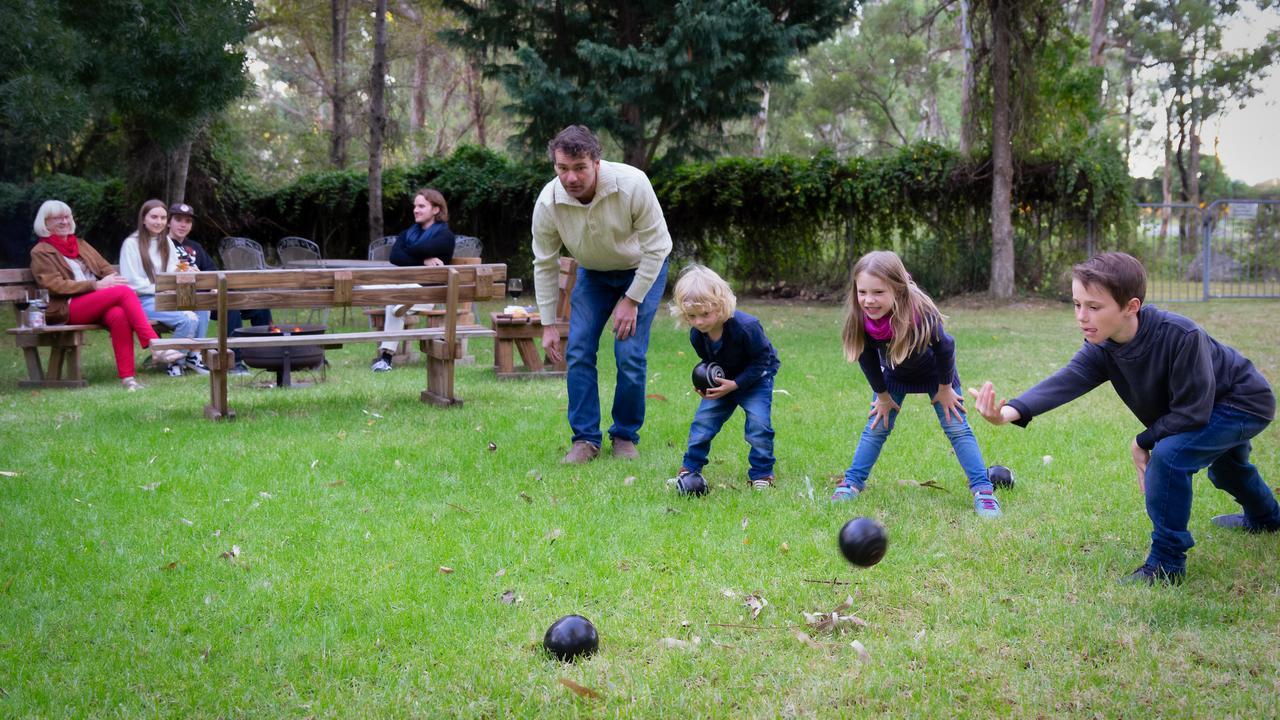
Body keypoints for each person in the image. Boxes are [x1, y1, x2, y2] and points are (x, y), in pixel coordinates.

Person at [970, 252, 1278, 584]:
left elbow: (1193, 413)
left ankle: (1166, 564)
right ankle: (1266, 518)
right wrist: (1005, 413)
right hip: (1205, 409)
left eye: (1094, 307)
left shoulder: (1181, 335)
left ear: (1130, 306)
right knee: (1226, 469)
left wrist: (1142, 441)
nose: (1081, 316)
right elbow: (1066, 380)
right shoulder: (1102, 347)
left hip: (1242, 402)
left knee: (1171, 456)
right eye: (1076, 304)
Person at [531, 125, 672, 463]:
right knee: (578, 350)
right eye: (562, 168)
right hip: (593, 275)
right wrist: (548, 323)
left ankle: (624, 436)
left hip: (642, 270)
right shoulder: (549, 202)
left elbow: (657, 248)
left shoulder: (633, 184)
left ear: (596, 162)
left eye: (579, 167)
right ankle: (585, 440)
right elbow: (545, 264)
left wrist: (632, 299)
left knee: (629, 354)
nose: (571, 178)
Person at [831, 250, 1001, 518]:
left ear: (897, 289)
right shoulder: (861, 317)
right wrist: (883, 396)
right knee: (876, 426)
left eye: (878, 292)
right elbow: (867, 358)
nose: (868, 300)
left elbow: (946, 347)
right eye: (862, 292)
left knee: (957, 428)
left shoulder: (920, 314)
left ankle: (983, 491)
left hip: (936, 375)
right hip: (895, 376)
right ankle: (851, 483)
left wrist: (945, 388)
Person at [28, 200, 185, 391]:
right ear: (45, 223)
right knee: (124, 291)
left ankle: (129, 380)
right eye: (57, 218)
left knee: (118, 315)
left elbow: (105, 268)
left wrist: (110, 279)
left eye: (67, 216)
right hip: (66, 307)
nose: (64, 221)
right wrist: (96, 285)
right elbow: (54, 285)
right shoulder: (41, 251)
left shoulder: (80, 244)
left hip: (93, 303)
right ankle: (155, 344)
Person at [670, 265, 780, 490]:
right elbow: (711, 364)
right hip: (725, 383)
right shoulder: (697, 335)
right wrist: (706, 384)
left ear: (720, 306)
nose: (699, 322)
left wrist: (737, 384)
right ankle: (690, 468)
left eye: (705, 314)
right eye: (691, 316)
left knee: (758, 425)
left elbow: (763, 361)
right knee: (703, 422)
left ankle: (762, 474)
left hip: (757, 378)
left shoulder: (747, 327)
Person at [167, 202, 270, 376]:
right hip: (184, 301)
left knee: (259, 306)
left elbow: (213, 272)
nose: (183, 224)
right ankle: (234, 362)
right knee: (229, 307)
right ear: (169, 222)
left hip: (208, 298)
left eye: (187, 221)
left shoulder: (195, 247)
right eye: (178, 220)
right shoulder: (162, 246)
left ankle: (265, 355)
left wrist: (213, 287)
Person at [371, 188, 455, 372]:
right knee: (393, 297)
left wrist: (411, 253)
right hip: (406, 289)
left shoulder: (445, 236)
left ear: (436, 209)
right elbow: (395, 256)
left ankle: (386, 359)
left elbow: (418, 249)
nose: (415, 210)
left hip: (429, 296)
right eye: (415, 206)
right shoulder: (408, 233)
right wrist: (424, 261)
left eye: (421, 206)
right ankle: (401, 304)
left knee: (393, 300)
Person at [119, 199, 204, 377]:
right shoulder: (131, 244)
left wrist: (184, 271)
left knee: (202, 305)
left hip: (167, 295)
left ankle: (193, 355)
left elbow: (173, 270)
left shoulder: (166, 241)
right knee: (187, 319)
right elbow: (131, 283)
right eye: (154, 217)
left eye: (163, 218)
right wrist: (160, 289)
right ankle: (174, 363)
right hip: (142, 300)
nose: (158, 222)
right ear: (143, 219)